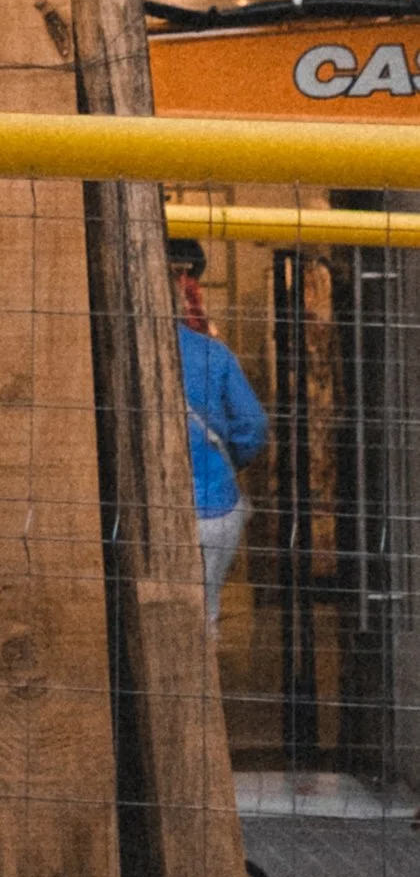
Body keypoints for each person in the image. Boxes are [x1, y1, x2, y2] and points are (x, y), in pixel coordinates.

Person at [169, 239, 266, 637]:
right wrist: (224, 464)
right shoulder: (214, 354)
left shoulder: (107, 351)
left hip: (143, 511)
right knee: (202, 616)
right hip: (213, 506)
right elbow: (253, 425)